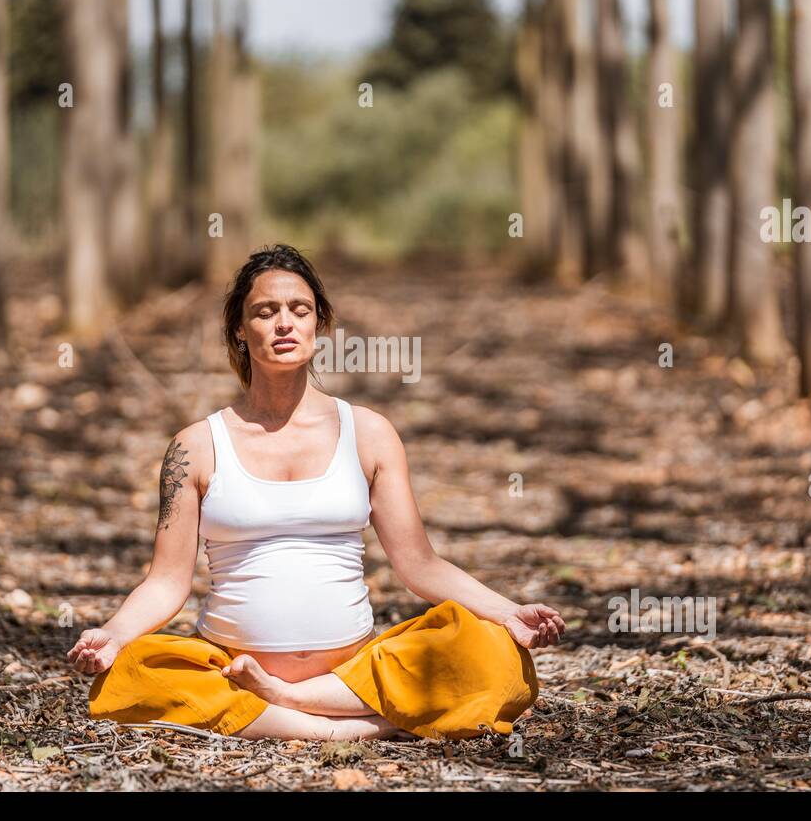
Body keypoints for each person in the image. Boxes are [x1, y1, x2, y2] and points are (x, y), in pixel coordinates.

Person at [68, 244, 564, 741]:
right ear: (240, 331)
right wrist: (112, 634)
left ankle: (296, 707)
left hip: (354, 670)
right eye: (265, 311)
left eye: (298, 310)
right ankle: (363, 727)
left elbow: (420, 564)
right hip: (230, 667)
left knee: (496, 653)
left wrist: (508, 612)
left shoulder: (368, 433)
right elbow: (166, 583)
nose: (284, 322)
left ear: (318, 324)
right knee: (128, 673)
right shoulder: (196, 446)